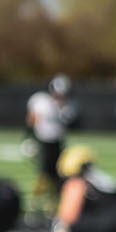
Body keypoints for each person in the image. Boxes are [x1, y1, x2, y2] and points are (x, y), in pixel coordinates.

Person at [26, 74, 75, 207]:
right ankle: (35, 201)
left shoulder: (67, 106)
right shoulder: (41, 101)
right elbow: (32, 119)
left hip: (58, 142)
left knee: (57, 174)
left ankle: (53, 202)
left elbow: (68, 124)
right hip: (43, 140)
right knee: (44, 173)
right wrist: (29, 137)